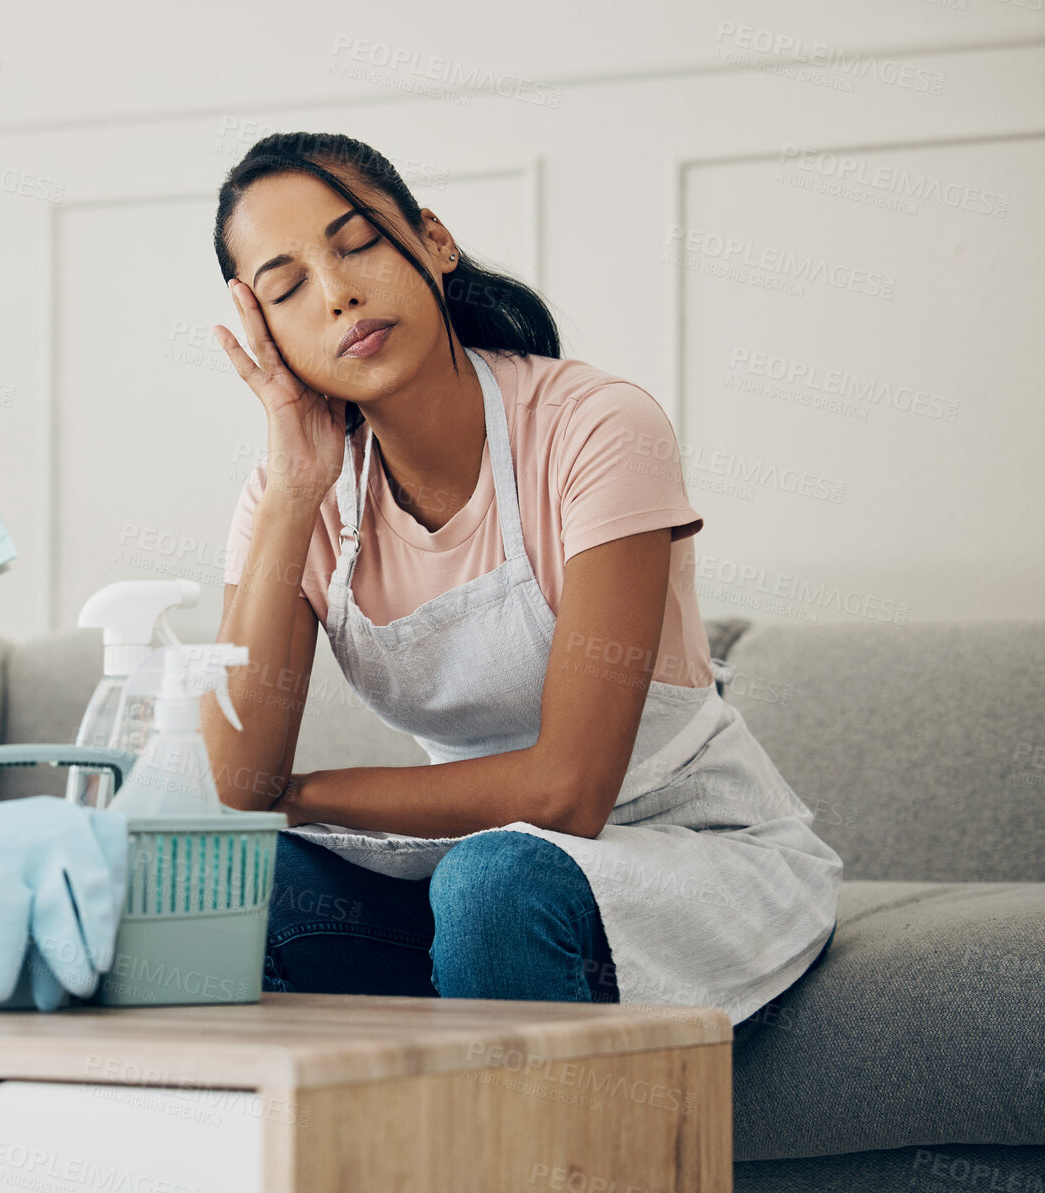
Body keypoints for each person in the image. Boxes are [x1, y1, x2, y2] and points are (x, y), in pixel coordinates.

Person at [205, 131, 839, 1025]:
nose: (337, 291)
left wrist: (298, 794)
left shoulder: (594, 427)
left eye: (355, 245)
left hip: (683, 854)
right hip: (470, 865)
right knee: (236, 882)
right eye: (287, 287)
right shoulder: (294, 493)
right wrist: (295, 491)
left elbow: (566, 791)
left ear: (432, 240)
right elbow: (230, 787)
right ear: (264, 332)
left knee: (493, 880)